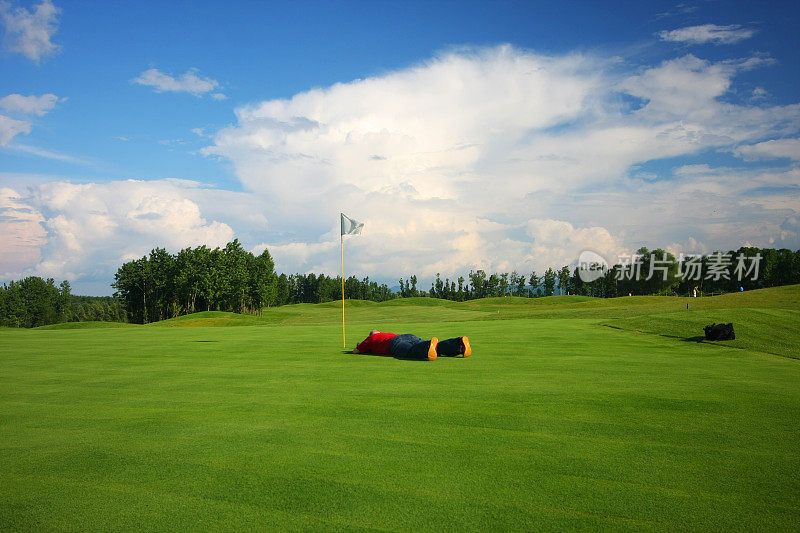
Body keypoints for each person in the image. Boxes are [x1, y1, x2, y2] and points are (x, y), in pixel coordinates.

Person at [352, 330, 471, 361]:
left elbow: (356, 351)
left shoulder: (371, 338)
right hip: (408, 336)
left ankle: (427, 346)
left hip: (395, 343)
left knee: (410, 351)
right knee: (435, 348)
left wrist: (358, 346)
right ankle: (458, 344)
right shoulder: (385, 334)